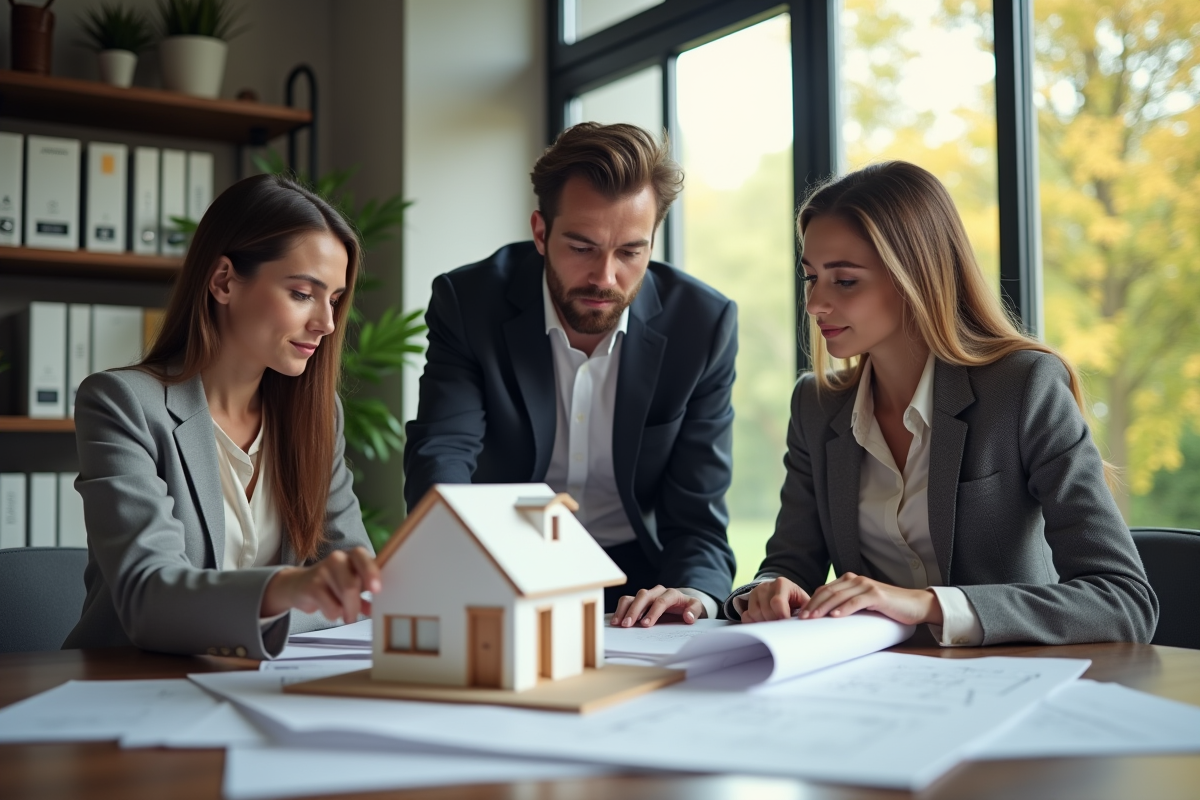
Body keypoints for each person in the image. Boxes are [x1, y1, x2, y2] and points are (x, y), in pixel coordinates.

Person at [727, 161, 1157, 645]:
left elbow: (1123, 600)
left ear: (916, 276)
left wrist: (924, 604)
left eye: (844, 281)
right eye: (811, 279)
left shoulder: (1023, 388)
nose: (815, 304)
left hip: (1012, 682)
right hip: (873, 686)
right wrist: (766, 592)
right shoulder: (815, 404)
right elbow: (788, 565)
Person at [403, 122, 737, 625]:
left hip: (641, 585)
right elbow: (443, 453)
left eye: (630, 252)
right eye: (582, 247)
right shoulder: (469, 303)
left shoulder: (702, 325)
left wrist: (692, 594)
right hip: (502, 568)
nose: (605, 277)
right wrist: (459, 562)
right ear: (540, 232)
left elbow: (697, 517)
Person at [64, 174, 381, 659]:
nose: (327, 323)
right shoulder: (122, 403)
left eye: (334, 300)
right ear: (224, 281)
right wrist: (292, 590)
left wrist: (303, 599)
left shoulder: (319, 417)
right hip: (131, 687)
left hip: (262, 689)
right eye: (302, 293)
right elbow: (150, 601)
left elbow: (356, 596)